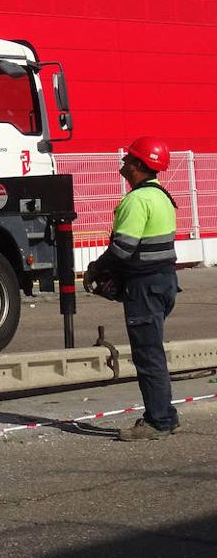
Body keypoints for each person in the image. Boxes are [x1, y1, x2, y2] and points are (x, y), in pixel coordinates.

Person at [84, 136, 180, 440]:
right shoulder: (163, 197)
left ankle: (159, 421)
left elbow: (122, 250)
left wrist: (96, 269)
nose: (123, 164)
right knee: (154, 352)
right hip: (164, 284)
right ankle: (167, 415)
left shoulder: (136, 201)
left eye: (128, 159)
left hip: (144, 288)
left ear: (139, 166)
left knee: (147, 354)